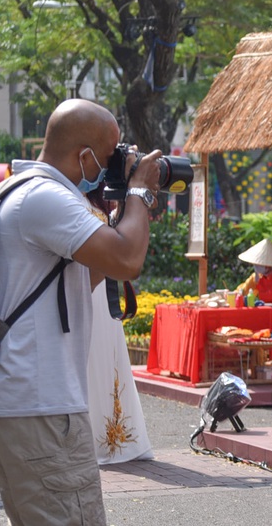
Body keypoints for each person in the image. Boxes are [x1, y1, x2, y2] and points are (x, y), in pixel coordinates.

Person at [0, 99, 161, 526]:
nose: (114, 166)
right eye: (110, 157)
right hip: (37, 402)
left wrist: (129, 215)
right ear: (83, 156)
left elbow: (84, 276)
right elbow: (127, 261)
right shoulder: (45, 197)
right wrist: (140, 190)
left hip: (18, 399)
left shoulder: (16, 189)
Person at [83, 189, 154, 465]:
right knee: (89, 362)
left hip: (103, 295)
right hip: (87, 291)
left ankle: (112, 435)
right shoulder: (70, 198)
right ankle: (90, 438)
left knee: (108, 359)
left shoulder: (98, 202)